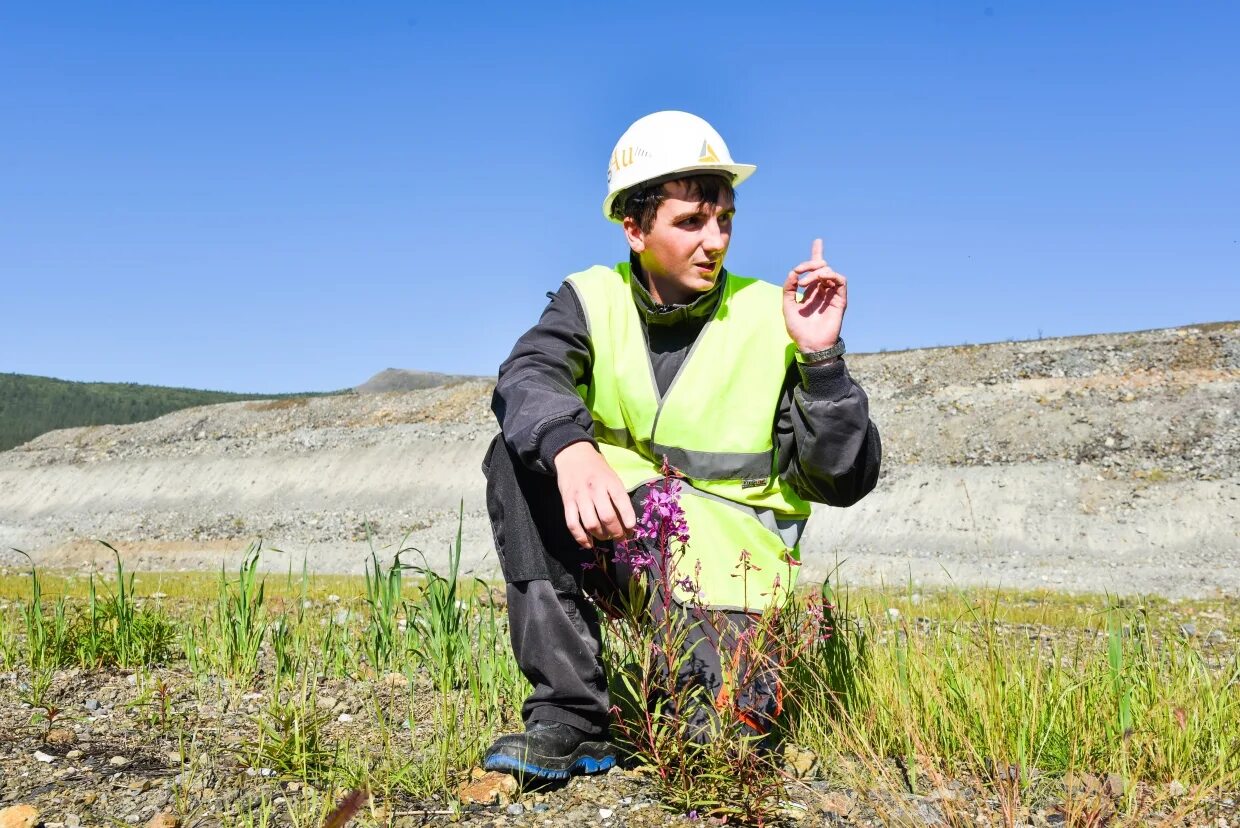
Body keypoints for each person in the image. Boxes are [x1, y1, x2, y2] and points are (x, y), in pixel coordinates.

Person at [480, 111, 881, 781]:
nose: (715, 239)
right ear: (634, 229)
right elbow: (527, 376)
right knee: (517, 457)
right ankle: (570, 719)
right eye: (691, 221)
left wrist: (823, 362)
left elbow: (842, 481)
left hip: (731, 578)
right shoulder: (590, 300)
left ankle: (690, 704)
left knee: (708, 753)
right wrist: (570, 449)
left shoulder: (769, 316)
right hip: (620, 537)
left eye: (723, 219)